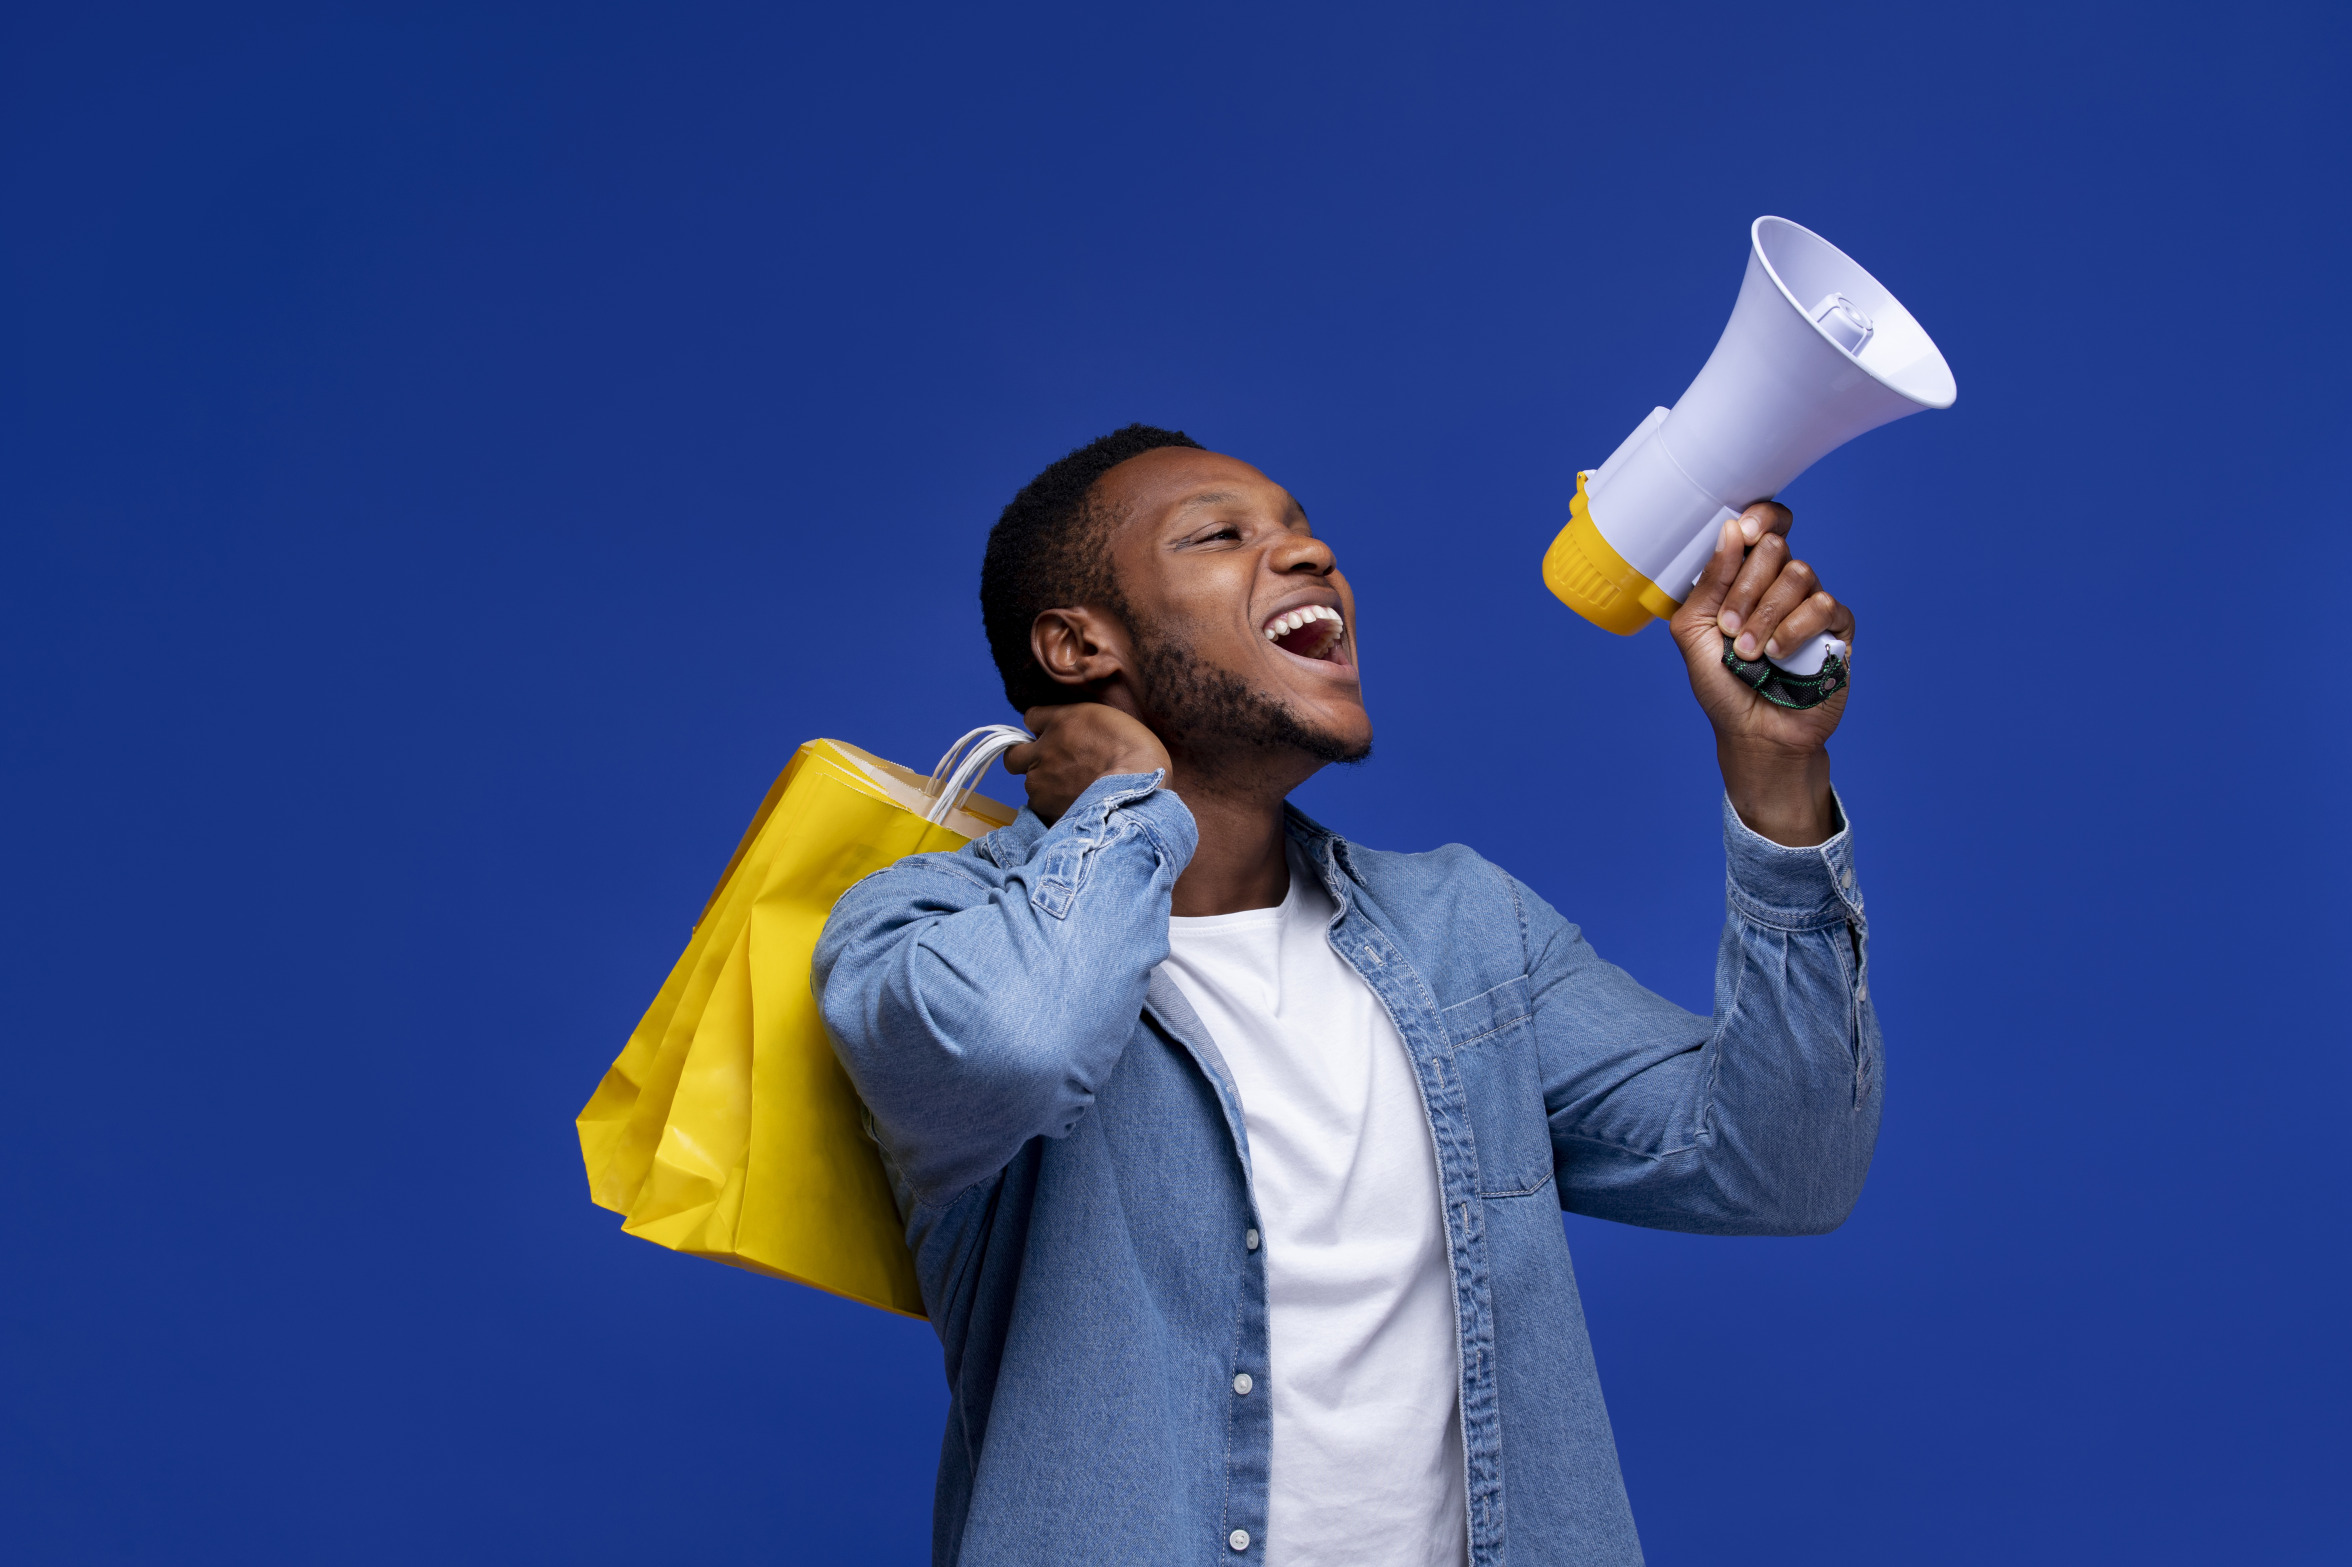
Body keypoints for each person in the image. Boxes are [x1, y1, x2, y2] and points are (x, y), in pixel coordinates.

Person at [813, 424, 1880, 1567]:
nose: (1310, 553)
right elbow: (1017, 1049)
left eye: (1303, 527)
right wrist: (1127, 804)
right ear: (1078, 646)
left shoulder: (1470, 933)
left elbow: (1785, 1167)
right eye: (1223, 535)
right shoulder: (924, 926)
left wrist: (1778, 775)